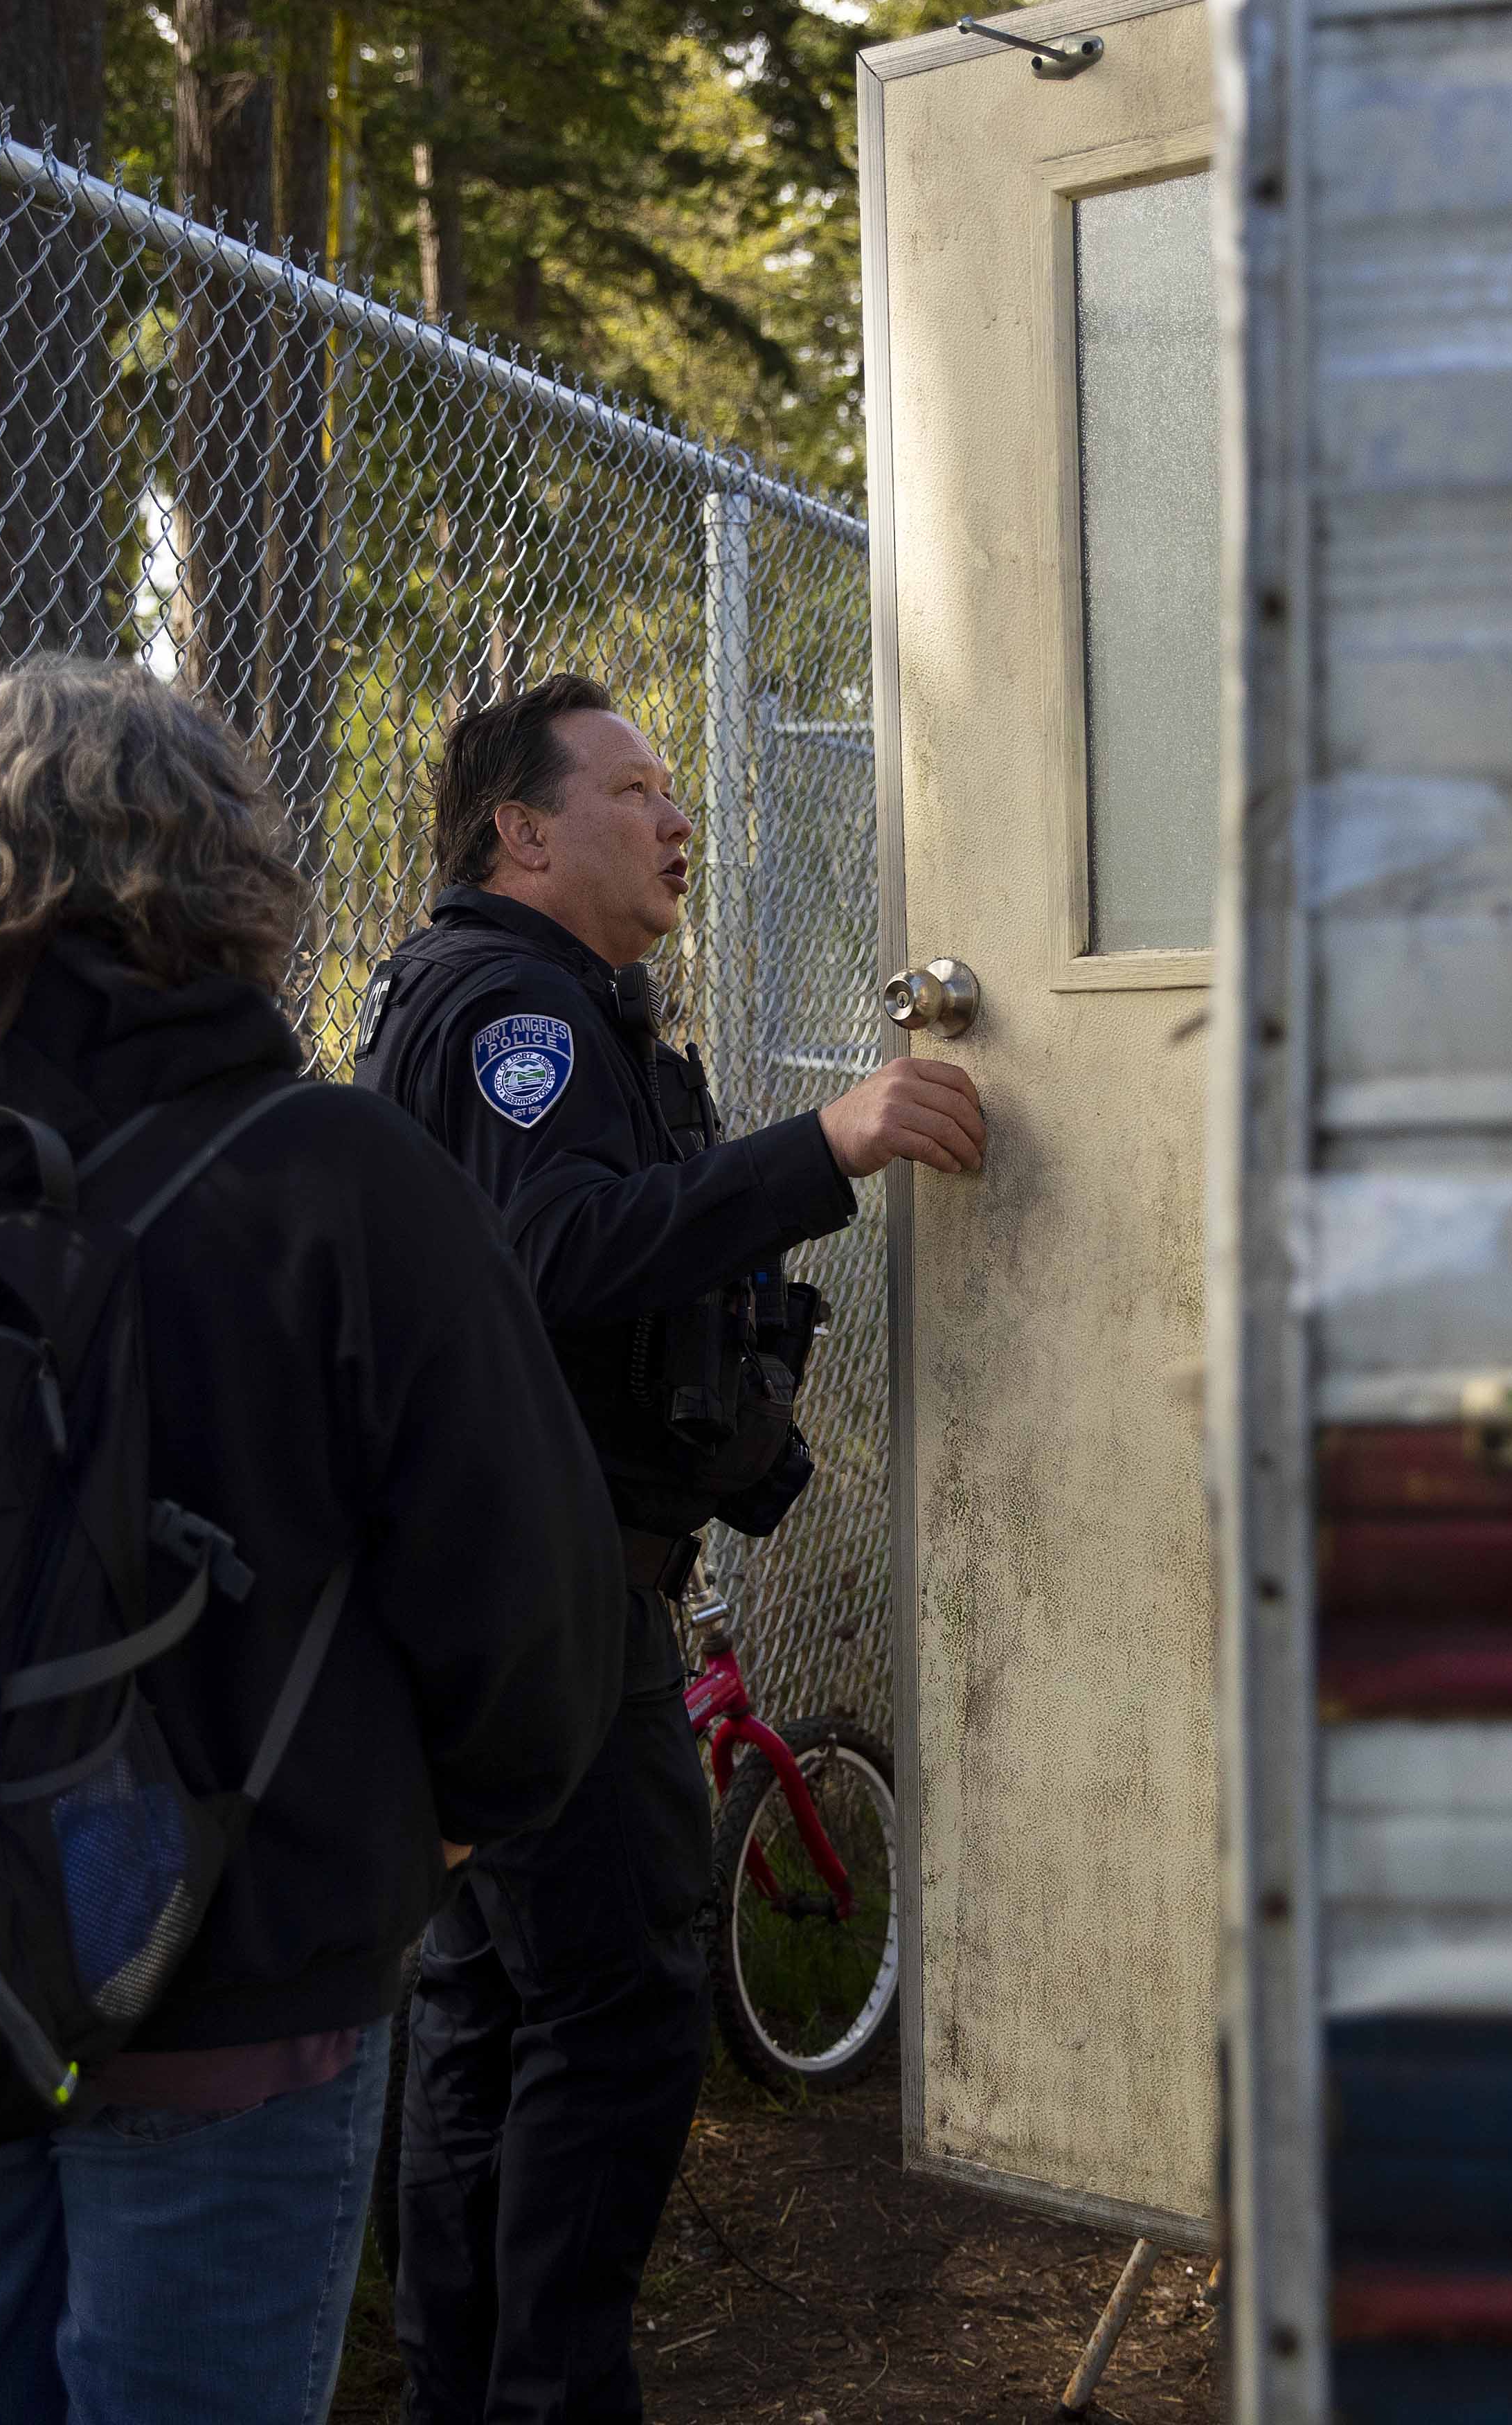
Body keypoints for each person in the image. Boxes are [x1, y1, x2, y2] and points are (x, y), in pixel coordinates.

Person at [0, 654, 622, 2424]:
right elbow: (527, 1590)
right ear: (229, 874)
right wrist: (454, 1820)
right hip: (244, 1977)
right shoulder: (337, 1177)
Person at [356, 670, 984, 2424]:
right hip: (537, 1603)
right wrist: (827, 1145)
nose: (677, 815)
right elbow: (549, 1251)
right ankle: (546, 2397)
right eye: (634, 789)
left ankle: (469, 2391)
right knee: (623, 2008)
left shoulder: (562, 1000)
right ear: (525, 830)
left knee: (490, 2007)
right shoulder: (510, 1012)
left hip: (518, 1584)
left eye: (676, 789)